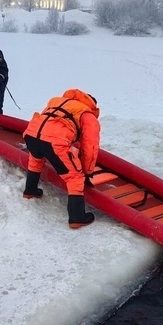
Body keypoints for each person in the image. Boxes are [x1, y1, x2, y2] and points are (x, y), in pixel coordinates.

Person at [22, 89, 100, 228]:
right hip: (55, 142)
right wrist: (87, 172)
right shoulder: (87, 115)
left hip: (31, 134)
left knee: (36, 159)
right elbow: (90, 147)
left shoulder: (57, 101)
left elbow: (47, 124)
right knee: (74, 177)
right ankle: (77, 217)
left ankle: (30, 190)